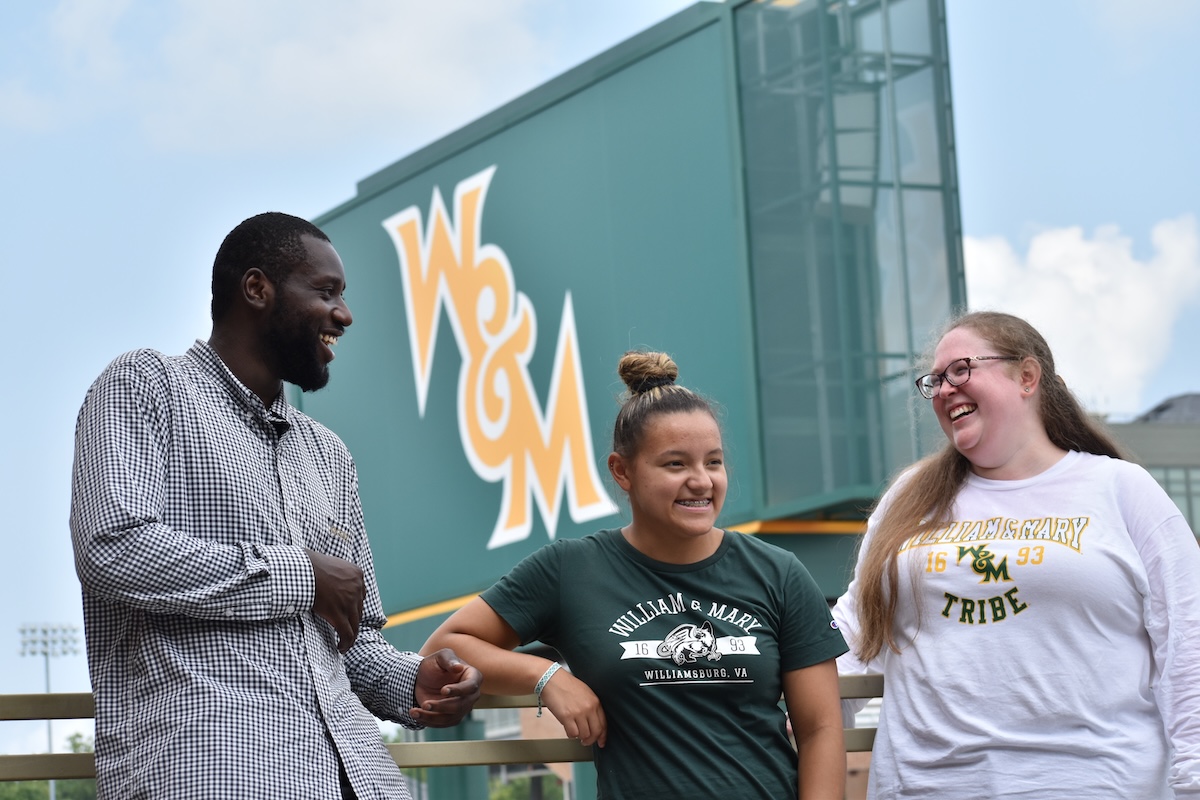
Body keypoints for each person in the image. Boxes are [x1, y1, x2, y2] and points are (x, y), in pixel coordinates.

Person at [69, 212, 483, 800]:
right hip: (216, 768)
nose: (344, 314)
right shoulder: (146, 384)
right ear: (257, 288)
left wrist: (415, 681)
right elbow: (113, 548)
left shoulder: (329, 454)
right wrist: (303, 575)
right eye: (326, 291)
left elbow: (351, 643)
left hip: (359, 776)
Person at [421, 350, 849, 799]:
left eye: (713, 462)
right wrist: (546, 677)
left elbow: (820, 729)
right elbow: (444, 647)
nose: (702, 481)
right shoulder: (571, 569)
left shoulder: (778, 573)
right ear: (622, 471)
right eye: (675, 464)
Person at [832, 310, 1200, 799]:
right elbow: (856, 631)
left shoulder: (1121, 487)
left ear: (1027, 376)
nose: (944, 390)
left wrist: (1192, 780)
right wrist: (786, 702)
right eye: (936, 380)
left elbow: (1187, 641)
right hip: (925, 787)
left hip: (1096, 784)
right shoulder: (911, 496)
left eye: (961, 370)